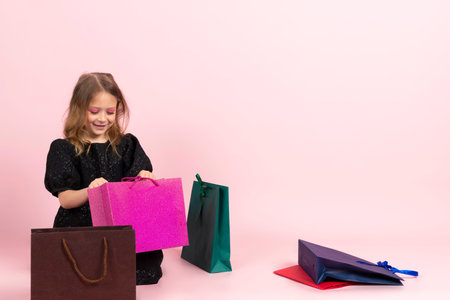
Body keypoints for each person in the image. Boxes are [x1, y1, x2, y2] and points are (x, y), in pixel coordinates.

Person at [44, 72, 163, 285]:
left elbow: (137, 193)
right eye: (94, 111)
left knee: (145, 270)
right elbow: (66, 200)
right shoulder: (64, 148)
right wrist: (90, 191)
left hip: (123, 227)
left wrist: (144, 179)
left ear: (118, 110)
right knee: (82, 272)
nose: (102, 119)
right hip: (81, 228)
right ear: (79, 109)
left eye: (110, 112)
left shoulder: (127, 145)